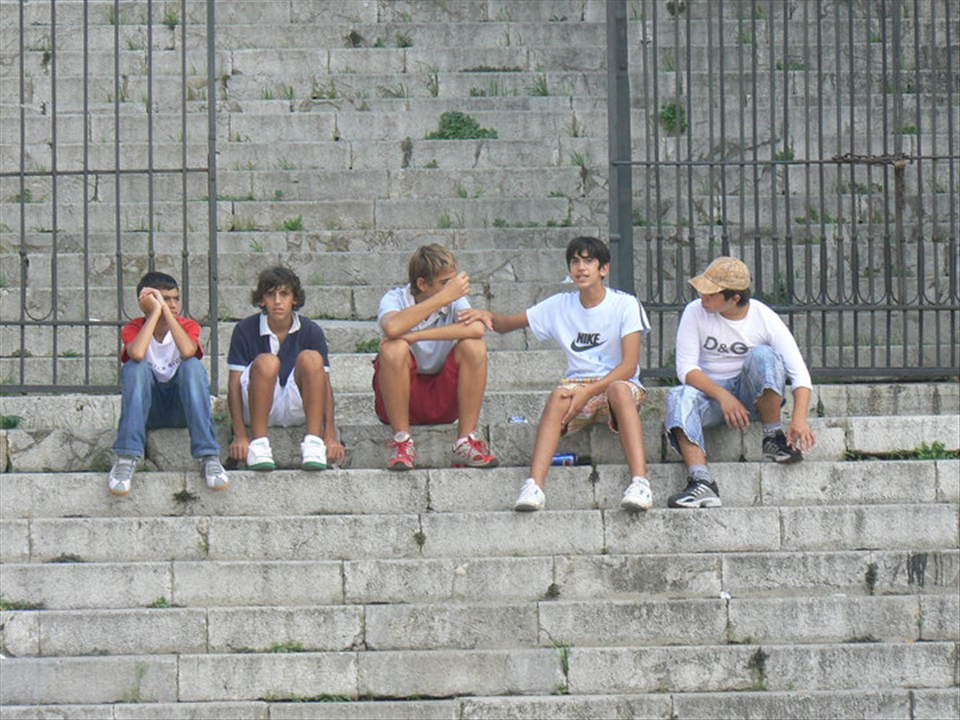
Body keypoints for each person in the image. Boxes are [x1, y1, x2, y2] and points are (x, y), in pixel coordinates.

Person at [461, 236, 653, 512]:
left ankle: (640, 483)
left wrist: (589, 391)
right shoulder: (559, 305)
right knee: (559, 395)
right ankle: (534, 486)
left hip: (618, 383)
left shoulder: (625, 305)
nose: (581, 268)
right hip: (577, 387)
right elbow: (506, 324)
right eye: (575, 261)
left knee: (619, 390)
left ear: (604, 269)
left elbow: (629, 366)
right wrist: (483, 315)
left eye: (589, 261)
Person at [664, 256, 817, 508]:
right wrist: (724, 397)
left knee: (764, 355)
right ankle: (701, 481)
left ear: (734, 299)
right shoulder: (694, 311)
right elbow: (686, 369)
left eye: (710, 294)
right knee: (678, 396)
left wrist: (799, 419)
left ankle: (772, 437)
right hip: (709, 397)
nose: (702, 296)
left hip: (750, 397)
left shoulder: (763, 317)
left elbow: (799, 373)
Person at [374, 244, 498, 470]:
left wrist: (416, 335)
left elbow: (476, 330)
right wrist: (442, 298)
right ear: (422, 284)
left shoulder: (453, 301)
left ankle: (466, 440)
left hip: (441, 396)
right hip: (399, 397)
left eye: (452, 282)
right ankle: (402, 440)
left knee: (474, 347)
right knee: (393, 348)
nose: (452, 289)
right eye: (444, 283)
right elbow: (392, 327)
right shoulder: (394, 299)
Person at [109, 271, 227, 496]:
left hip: (181, 409)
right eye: (165, 299)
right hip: (148, 410)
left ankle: (208, 455)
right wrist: (154, 315)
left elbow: (188, 351)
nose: (172, 304)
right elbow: (136, 353)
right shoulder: (134, 328)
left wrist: (166, 314)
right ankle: (126, 457)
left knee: (192, 366)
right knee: (135, 367)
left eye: (175, 299)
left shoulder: (188, 326)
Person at [227, 266, 345, 471]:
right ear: (262, 300)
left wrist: (330, 435)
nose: (278, 302)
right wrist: (240, 434)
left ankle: (313, 443)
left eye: (284, 294)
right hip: (258, 402)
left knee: (311, 358)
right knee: (267, 361)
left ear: (295, 299)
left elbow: (324, 384)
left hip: (296, 402)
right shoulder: (245, 329)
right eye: (271, 295)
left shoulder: (311, 330)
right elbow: (234, 384)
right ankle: (259, 444)